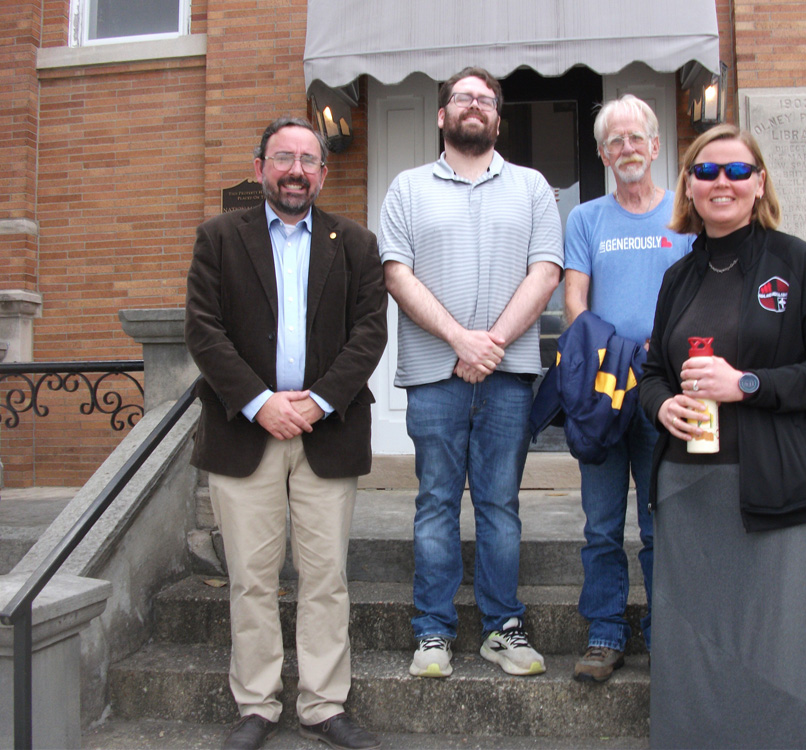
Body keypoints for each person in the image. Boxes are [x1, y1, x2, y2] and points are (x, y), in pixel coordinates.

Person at [638, 123, 806, 748]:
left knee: (791, 660)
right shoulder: (678, 278)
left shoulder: (796, 262)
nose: (722, 183)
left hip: (783, 494)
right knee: (701, 661)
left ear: (759, 183)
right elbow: (653, 372)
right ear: (688, 184)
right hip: (692, 493)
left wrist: (748, 385)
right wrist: (660, 407)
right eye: (707, 171)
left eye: (737, 172)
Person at [185, 116, 387, 750]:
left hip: (328, 433)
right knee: (251, 577)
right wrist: (257, 402)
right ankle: (256, 704)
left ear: (323, 173)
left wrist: (320, 402)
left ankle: (325, 705)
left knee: (326, 577)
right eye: (283, 158)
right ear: (260, 167)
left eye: (308, 159)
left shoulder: (353, 242)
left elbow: (370, 332)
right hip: (244, 435)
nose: (296, 170)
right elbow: (203, 329)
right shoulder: (219, 237)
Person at [378, 67, 563, 680]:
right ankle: (432, 631)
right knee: (434, 501)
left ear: (498, 118)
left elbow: (545, 272)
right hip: (434, 374)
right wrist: (461, 340)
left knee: (500, 503)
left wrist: (493, 344)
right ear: (442, 115)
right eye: (462, 98)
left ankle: (501, 628)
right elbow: (397, 274)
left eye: (485, 99)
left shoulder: (533, 188)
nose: (473, 106)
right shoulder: (406, 188)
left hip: (509, 376)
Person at [562, 95, 693, 682]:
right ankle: (605, 633)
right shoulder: (586, 219)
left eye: (636, 138)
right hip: (607, 393)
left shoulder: (684, 217)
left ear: (656, 145)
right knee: (600, 523)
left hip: (667, 392)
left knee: (662, 520)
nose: (627, 149)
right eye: (615, 141)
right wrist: (594, 364)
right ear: (602, 153)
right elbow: (574, 300)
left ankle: (669, 632)